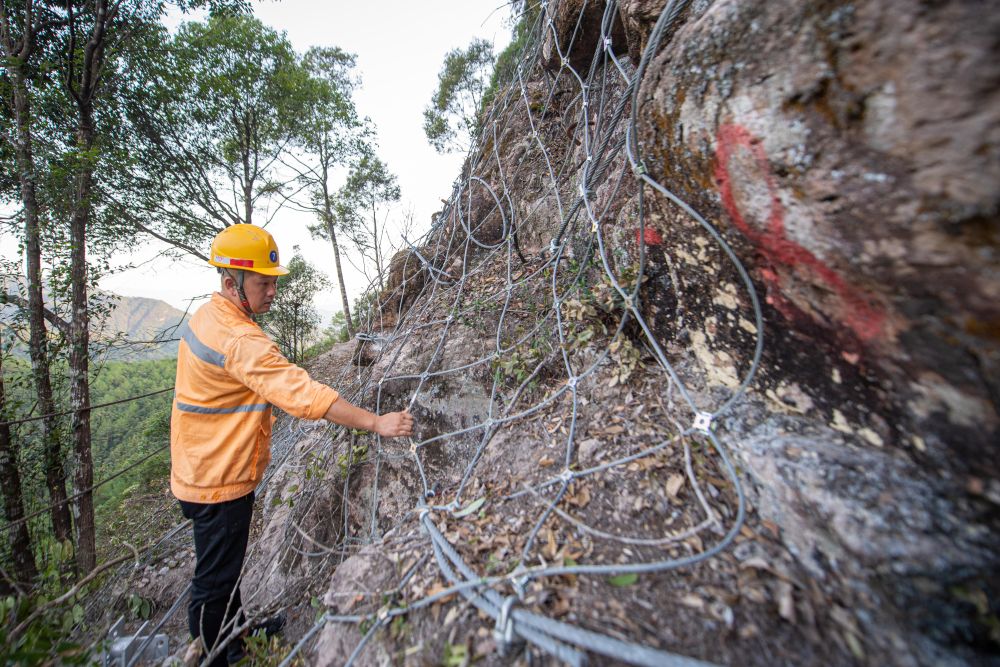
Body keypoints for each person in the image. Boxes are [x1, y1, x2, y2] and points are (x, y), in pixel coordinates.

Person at [170, 224, 413, 665]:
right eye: (263, 283)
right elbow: (305, 396)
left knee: (225, 567)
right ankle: (217, 656)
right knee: (214, 579)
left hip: (199, 462)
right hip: (217, 477)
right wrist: (377, 422)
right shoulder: (241, 340)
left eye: (274, 281)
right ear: (231, 283)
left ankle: (236, 633)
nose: (272, 292)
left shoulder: (209, 315)